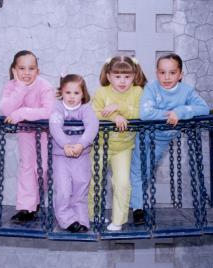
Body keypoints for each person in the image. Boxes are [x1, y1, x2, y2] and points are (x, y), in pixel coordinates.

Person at [129, 53, 210, 225]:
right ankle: (138, 209)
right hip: (145, 136)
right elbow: (145, 113)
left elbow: (204, 108)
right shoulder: (151, 87)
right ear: (156, 73)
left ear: (180, 74)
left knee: (147, 172)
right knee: (137, 171)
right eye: (162, 72)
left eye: (172, 73)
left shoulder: (186, 91)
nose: (166, 77)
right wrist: (169, 116)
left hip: (162, 140)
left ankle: (135, 202)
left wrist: (180, 112)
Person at [88, 55, 147, 231]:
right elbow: (93, 113)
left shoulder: (138, 92)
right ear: (108, 76)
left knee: (122, 183)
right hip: (100, 145)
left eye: (127, 77)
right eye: (117, 76)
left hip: (124, 148)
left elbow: (141, 113)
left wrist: (120, 108)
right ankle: (93, 214)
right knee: (95, 181)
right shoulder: (102, 92)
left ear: (134, 75)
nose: (122, 81)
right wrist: (115, 117)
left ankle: (118, 221)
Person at [0, 50, 55, 223]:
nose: (26, 72)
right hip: (26, 133)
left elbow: (49, 111)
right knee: (26, 167)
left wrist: (22, 112)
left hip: (46, 135)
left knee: (44, 168)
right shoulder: (11, 86)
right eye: (22, 68)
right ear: (14, 70)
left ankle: (35, 201)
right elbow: (6, 110)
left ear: (37, 71)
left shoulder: (44, 85)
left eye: (31, 68)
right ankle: (25, 207)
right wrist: (20, 88)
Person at [49, 74, 99, 233]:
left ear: (83, 94)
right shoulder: (58, 108)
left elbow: (92, 126)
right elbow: (55, 127)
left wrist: (81, 144)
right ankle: (66, 219)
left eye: (76, 93)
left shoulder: (85, 109)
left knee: (81, 185)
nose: (71, 97)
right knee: (63, 189)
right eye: (68, 92)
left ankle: (81, 220)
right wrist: (65, 145)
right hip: (61, 156)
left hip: (81, 155)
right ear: (61, 92)